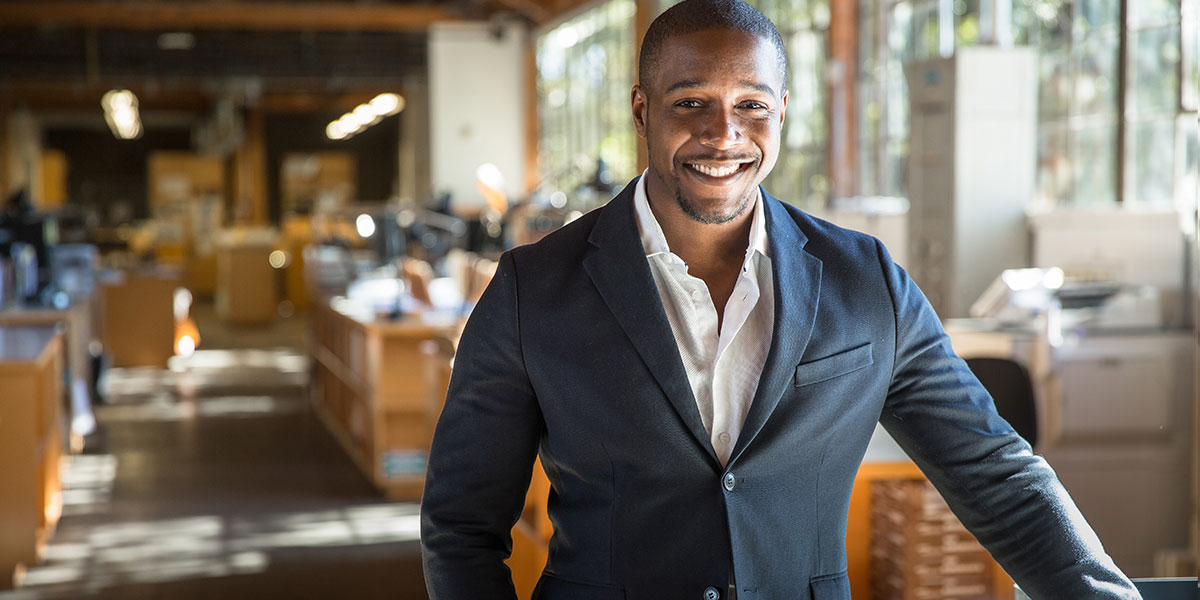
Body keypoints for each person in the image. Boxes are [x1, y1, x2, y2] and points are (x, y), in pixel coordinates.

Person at [420, 1, 1141, 598]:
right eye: (691, 102)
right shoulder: (532, 289)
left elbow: (997, 475)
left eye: (751, 105)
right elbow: (461, 525)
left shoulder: (866, 280)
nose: (723, 134)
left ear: (783, 112)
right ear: (642, 111)